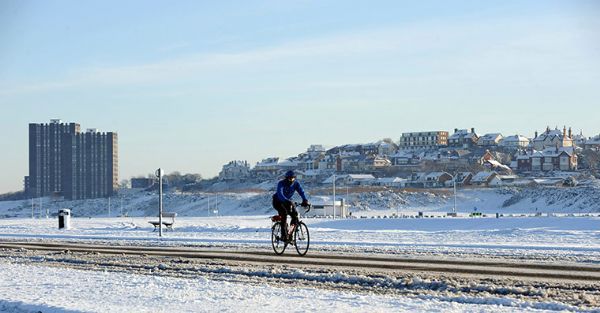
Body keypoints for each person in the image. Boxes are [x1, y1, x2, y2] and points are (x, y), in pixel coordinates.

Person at [272, 170, 310, 242]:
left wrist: (305, 200)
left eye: (293, 178)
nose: (291, 180)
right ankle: (284, 236)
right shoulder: (281, 183)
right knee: (284, 214)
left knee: (295, 215)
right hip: (277, 201)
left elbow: (301, 192)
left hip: (287, 201)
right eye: (290, 178)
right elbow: (280, 194)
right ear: (286, 178)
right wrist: (287, 201)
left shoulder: (296, 184)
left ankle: (290, 235)